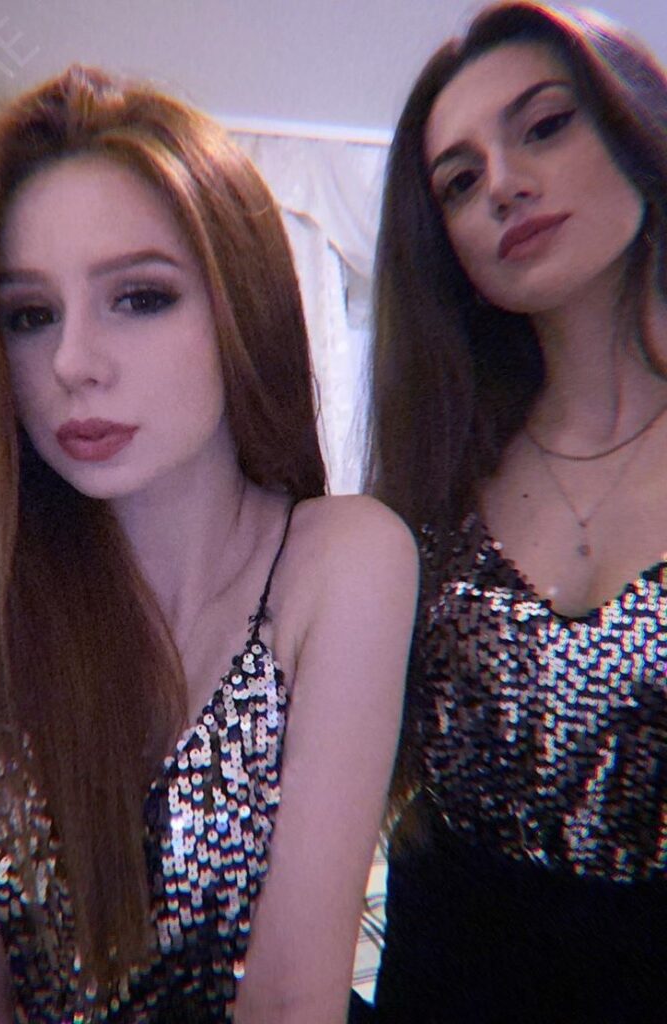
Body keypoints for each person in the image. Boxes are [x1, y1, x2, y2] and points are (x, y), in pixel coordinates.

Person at [0, 66, 419, 1024]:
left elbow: (293, 1000)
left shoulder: (342, 562)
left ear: (239, 303)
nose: (72, 364)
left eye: (139, 297)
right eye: (28, 316)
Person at [359, 2, 667, 1022]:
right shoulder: (431, 478)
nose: (503, 184)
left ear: (636, 127)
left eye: (545, 125)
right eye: (459, 181)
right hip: (442, 985)